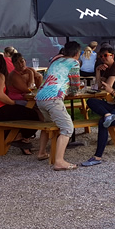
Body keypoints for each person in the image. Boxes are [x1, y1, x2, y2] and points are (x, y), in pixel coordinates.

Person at [0, 54, 40, 156]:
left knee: (23, 112)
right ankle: (20, 137)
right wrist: (13, 103)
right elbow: (0, 95)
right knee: (33, 115)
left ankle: (18, 137)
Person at [35, 41, 82, 170]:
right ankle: (59, 161)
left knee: (48, 124)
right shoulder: (74, 63)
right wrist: (73, 92)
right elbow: (75, 83)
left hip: (40, 97)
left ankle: (42, 152)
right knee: (67, 127)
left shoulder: (55, 61)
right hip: (53, 98)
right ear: (77, 53)